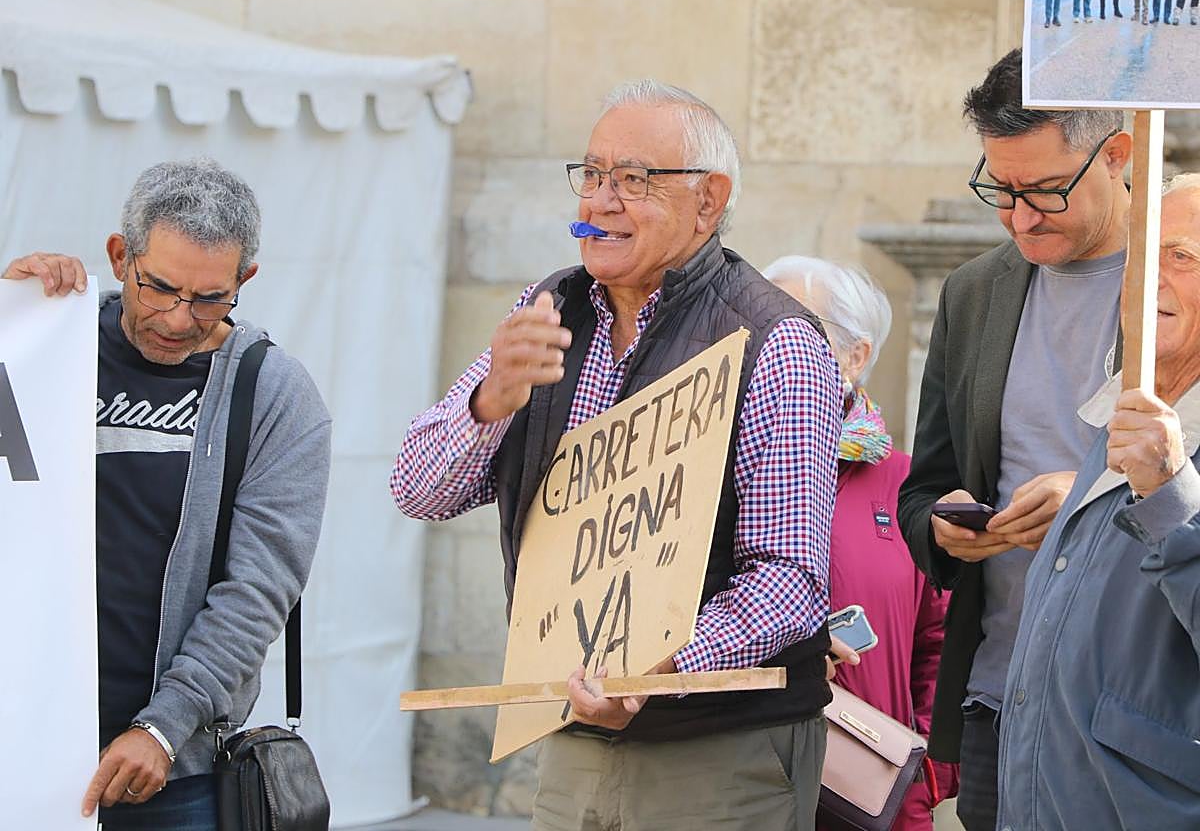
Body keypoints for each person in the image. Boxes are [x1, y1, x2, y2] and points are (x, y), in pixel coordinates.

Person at [392, 80, 842, 831]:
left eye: (633, 179)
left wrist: (661, 669)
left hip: (718, 752)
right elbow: (417, 490)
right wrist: (490, 401)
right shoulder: (549, 310)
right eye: (592, 175)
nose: (600, 202)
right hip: (571, 739)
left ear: (708, 200)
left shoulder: (776, 340)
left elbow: (790, 582)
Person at [2, 159, 331, 831]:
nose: (179, 320)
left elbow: (258, 589)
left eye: (210, 298)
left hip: (172, 772)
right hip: (21, 739)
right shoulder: (50, 346)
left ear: (245, 280)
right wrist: (10, 322)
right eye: (159, 288)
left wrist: (163, 727)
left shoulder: (276, 394)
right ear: (120, 257)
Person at [896, 48, 1130, 831]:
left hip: (1140, 713)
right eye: (1002, 189)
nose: (1021, 217)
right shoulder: (973, 292)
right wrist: (942, 525)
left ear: (1118, 154)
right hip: (1000, 703)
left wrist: (1088, 500)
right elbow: (924, 485)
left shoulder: (1182, 282)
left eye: (1046, 191)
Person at [997, 175, 1200, 831]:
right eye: (1142, 253)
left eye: (1182, 256)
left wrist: (1171, 494)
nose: (1150, 276)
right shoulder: (1123, 406)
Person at [765, 257, 958, 831]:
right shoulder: (721, 470)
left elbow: (943, 641)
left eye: (797, 329)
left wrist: (926, 773)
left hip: (872, 794)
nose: (770, 350)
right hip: (741, 780)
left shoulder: (908, 485)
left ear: (856, 356)